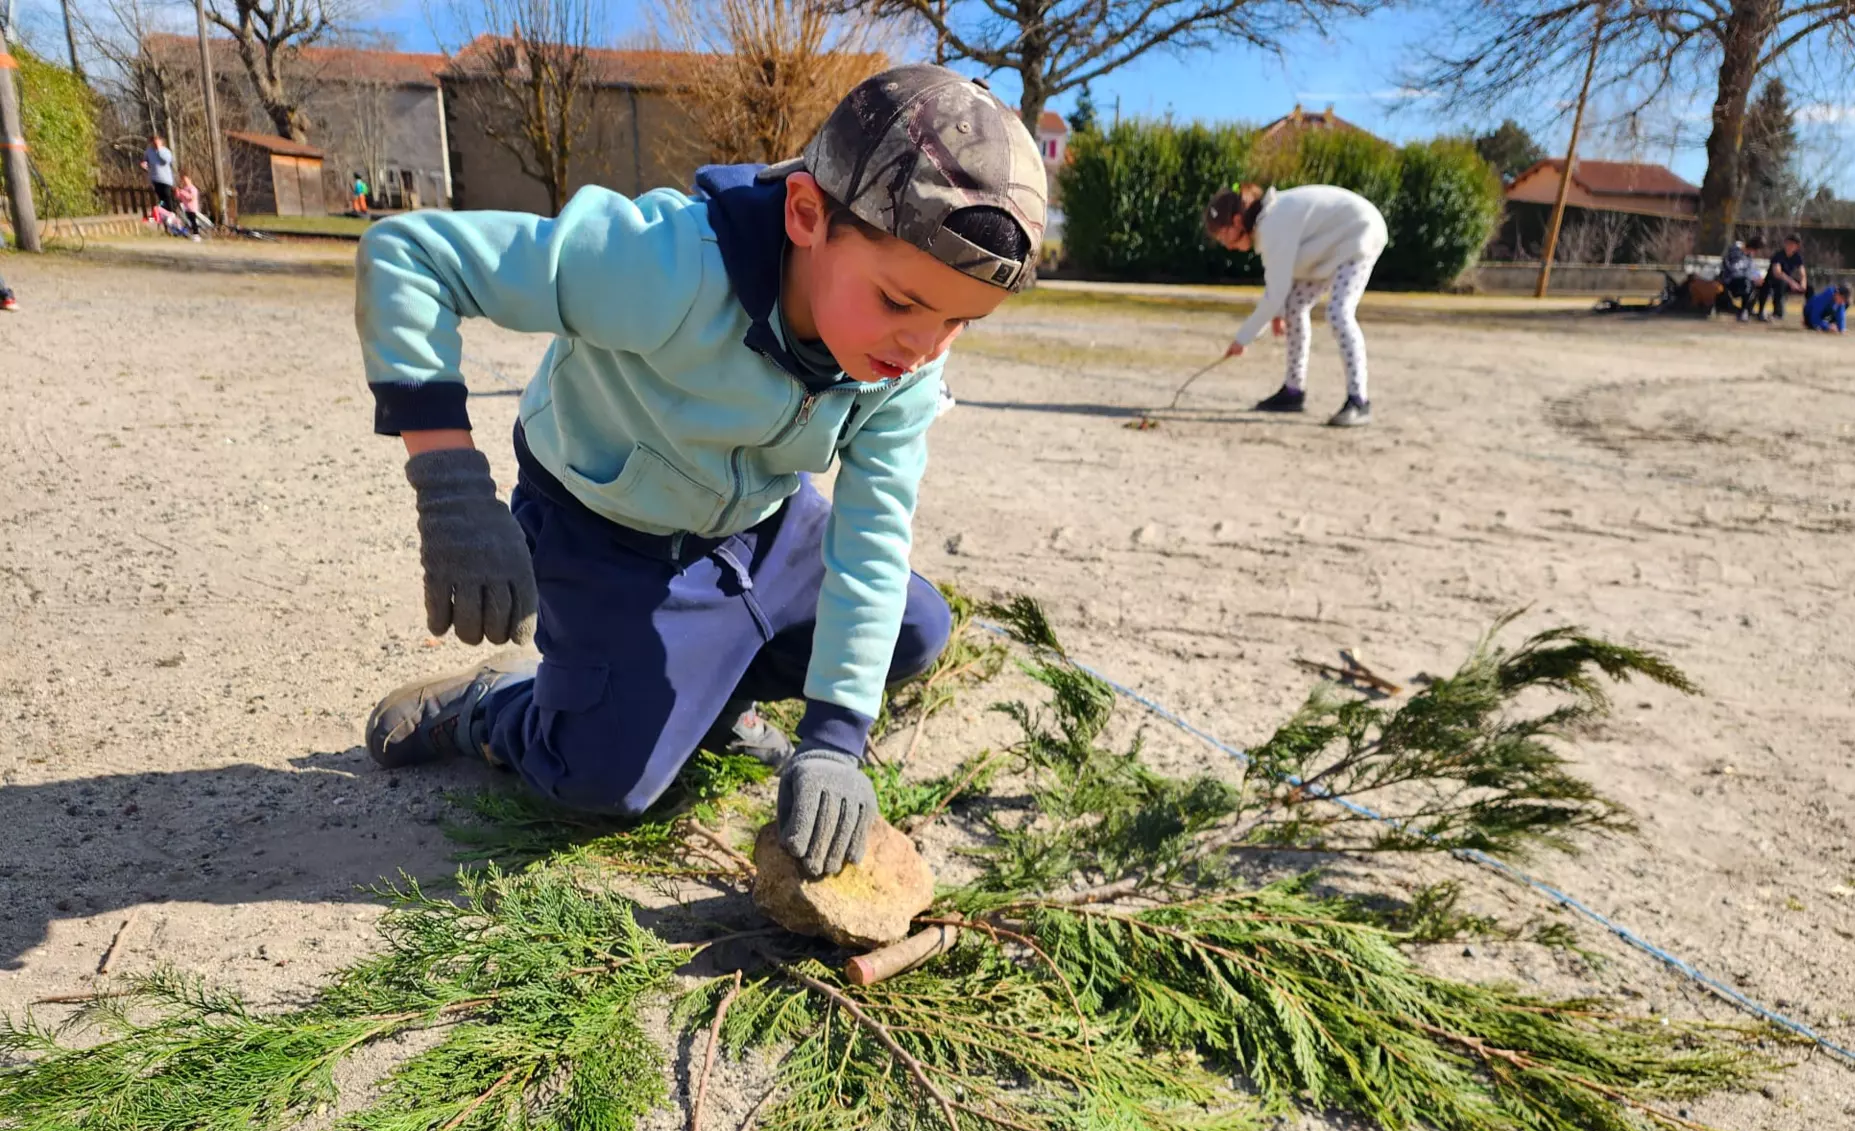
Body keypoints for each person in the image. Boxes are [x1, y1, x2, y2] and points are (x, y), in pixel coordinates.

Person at [354, 64, 1045, 879]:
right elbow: (410, 258)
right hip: (609, 533)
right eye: (898, 302)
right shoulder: (669, 264)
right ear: (806, 215)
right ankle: (493, 705)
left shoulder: (905, 368)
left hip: (760, 528)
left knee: (916, 625)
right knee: (604, 783)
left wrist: (834, 741)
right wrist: (452, 489)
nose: (921, 349)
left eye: (958, 322)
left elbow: (873, 535)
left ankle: (711, 702)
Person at [1204, 182, 1389, 428]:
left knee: (1339, 313)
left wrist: (1242, 339)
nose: (1226, 246)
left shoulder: (1271, 226)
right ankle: (1293, 393)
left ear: (1237, 221)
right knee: (1293, 306)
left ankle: (1359, 401)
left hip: (1359, 235)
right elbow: (1283, 282)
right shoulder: (1269, 224)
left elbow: (1274, 292)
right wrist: (1280, 311)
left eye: (1223, 235)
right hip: (1328, 250)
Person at [1758, 234, 1807, 322]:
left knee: (1810, 289)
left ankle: (1808, 314)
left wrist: (1803, 284)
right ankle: (1777, 313)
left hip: (1787, 281)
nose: (1790, 246)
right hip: (1772, 281)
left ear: (1796, 247)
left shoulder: (1797, 257)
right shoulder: (1778, 255)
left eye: (1793, 244)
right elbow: (1777, 273)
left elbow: (1802, 273)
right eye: (1788, 243)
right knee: (1780, 284)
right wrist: (1792, 283)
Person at [1718, 238, 1755, 320]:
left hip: (1743, 282)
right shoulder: (1735, 253)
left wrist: (1755, 278)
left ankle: (1747, 310)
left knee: (1760, 284)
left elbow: (1751, 271)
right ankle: (1742, 311)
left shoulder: (1749, 258)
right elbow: (1731, 269)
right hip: (1730, 281)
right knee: (1747, 283)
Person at [144, 135, 179, 221]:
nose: (154, 144)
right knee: (161, 198)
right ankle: (164, 212)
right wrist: (144, 163)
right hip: (155, 179)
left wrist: (159, 150)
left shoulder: (165, 151)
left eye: (156, 142)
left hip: (165, 179)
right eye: (153, 142)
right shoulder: (148, 151)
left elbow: (166, 160)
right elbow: (145, 160)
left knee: (168, 196)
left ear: (161, 142)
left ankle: (172, 212)